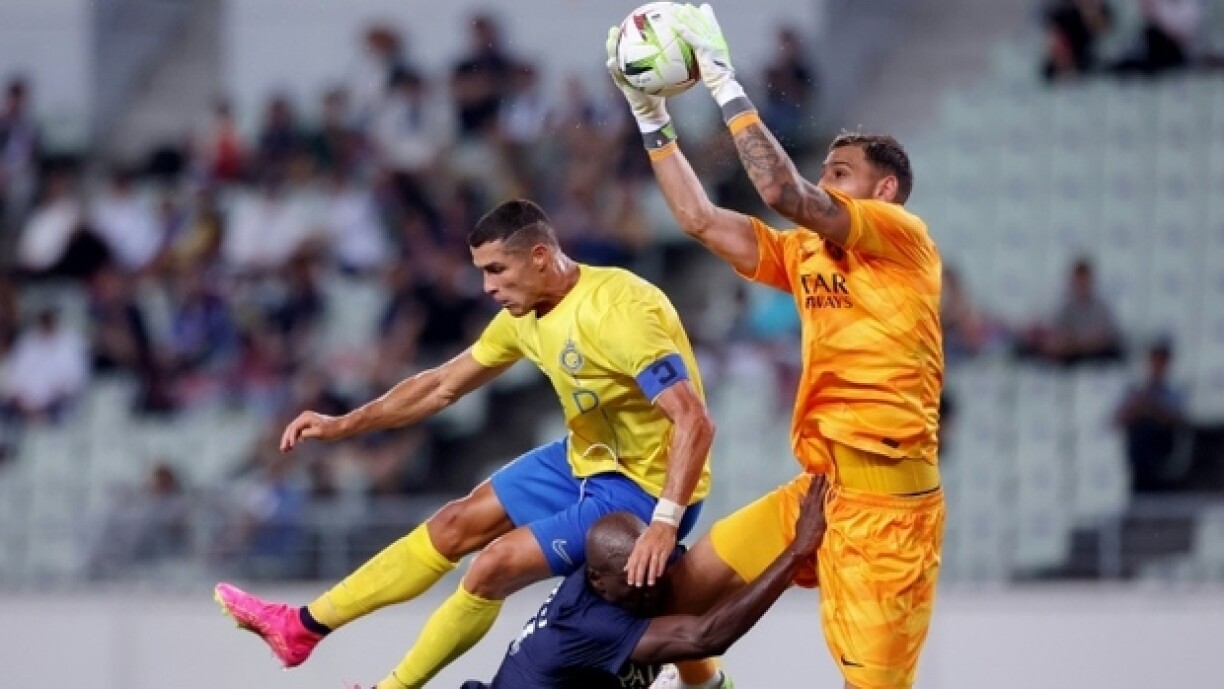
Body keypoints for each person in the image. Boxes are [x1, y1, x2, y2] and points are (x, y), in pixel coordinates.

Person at [215, 199, 718, 689]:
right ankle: (299, 627)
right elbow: (441, 385)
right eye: (482, 271)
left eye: (498, 269)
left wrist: (664, 524)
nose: (487, 286)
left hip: (645, 489)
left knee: (491, 566)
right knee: (454, 523)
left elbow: (694, 421)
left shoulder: (618, 312)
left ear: (540, 256)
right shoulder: (525, 317)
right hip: (586, 458)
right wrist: (343, 424)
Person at [607, 6, 945, 689]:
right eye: (826, 170)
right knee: (674, 600)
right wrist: (651, 117)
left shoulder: (902, 238)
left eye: (841, 173)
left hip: (890, 516)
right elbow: (700, 219)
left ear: (883, 193)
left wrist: (723, 82)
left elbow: (780, 189)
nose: (826, 182)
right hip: (822, 489)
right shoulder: (806, 254)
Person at [447, 474, 827, 689]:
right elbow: (706, 637)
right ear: (596, 580)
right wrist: (796, 551)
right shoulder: (589, 624)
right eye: (636, 583)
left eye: (655, 570)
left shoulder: (629, 569)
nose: (651, 588)